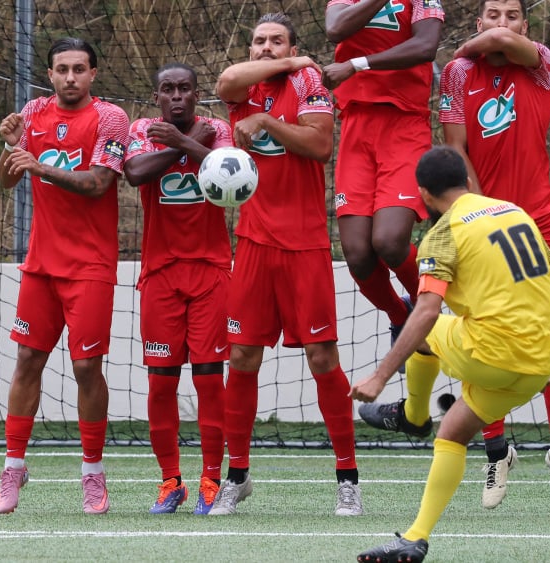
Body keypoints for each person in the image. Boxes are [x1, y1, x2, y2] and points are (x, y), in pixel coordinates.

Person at [361, 0, 550, 509]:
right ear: (478, 20)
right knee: (479, 327)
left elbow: (503, 44)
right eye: (493, 15)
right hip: (481, 217)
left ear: (525, 26)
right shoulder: (460, 73)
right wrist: (484, 208)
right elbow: (456, 147)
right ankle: (496, 452)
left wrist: (475, 42)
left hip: (536, 216)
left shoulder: (540, 61)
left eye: (512, 15)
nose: (503, 24)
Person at [351, 146, 550, 563]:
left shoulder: (444, 233)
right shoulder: (514, 212)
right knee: (452, 432)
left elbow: (427, 312)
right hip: (539, 362)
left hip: (493, 352)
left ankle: (413, 415)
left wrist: (378, 378)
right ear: (468, 183)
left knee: (423, 325)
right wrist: (549, 353)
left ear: (423, 196)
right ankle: (415, 538)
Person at [209, 12, 362, 517]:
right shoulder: (243, 87)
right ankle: (237, 476)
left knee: (322, 358)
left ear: (293, 48)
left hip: (305, 245)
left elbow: (320, 145)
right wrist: (283, 69)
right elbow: (225, 81)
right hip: (253, 244)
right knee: (242, 358)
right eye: (259, 41)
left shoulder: (308, 83)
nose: (266, 47)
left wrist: (268, 122)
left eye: (277, 41)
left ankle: (347, 478)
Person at [0, 37, 129, 515]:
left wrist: (39, 165)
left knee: (87, 367)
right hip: (41, 265)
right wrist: (11, 146)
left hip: (91, 266)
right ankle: (13, 466)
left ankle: (93, 472)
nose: (70, 77)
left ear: (93, 73)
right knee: (27, 360)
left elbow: (98, 184)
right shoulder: (33, 112)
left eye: (79, 69)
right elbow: (7, 179)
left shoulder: (111, 118)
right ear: (50, 74)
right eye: (62, 69)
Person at [123, 63, 232, 515]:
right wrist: (181, 145)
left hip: (211, 272)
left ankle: (211, 480)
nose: (177, 96)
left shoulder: (218, 130)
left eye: (185, 88)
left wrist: (188, 143)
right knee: (160, 384)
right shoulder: (142, 129)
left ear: (197, 94)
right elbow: (135, 172)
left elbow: (230, 175)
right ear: (156, 98)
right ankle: (171, 481)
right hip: (160, 275)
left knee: (209, 380)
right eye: (167, 89)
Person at [321, 0, 444, 360]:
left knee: (389, 241)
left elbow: (426, 46)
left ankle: (430, 312)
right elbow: (335, 29)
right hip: (356, 125)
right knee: (358, 254)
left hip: (404, 123)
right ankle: (400, 316)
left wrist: (356, 64)